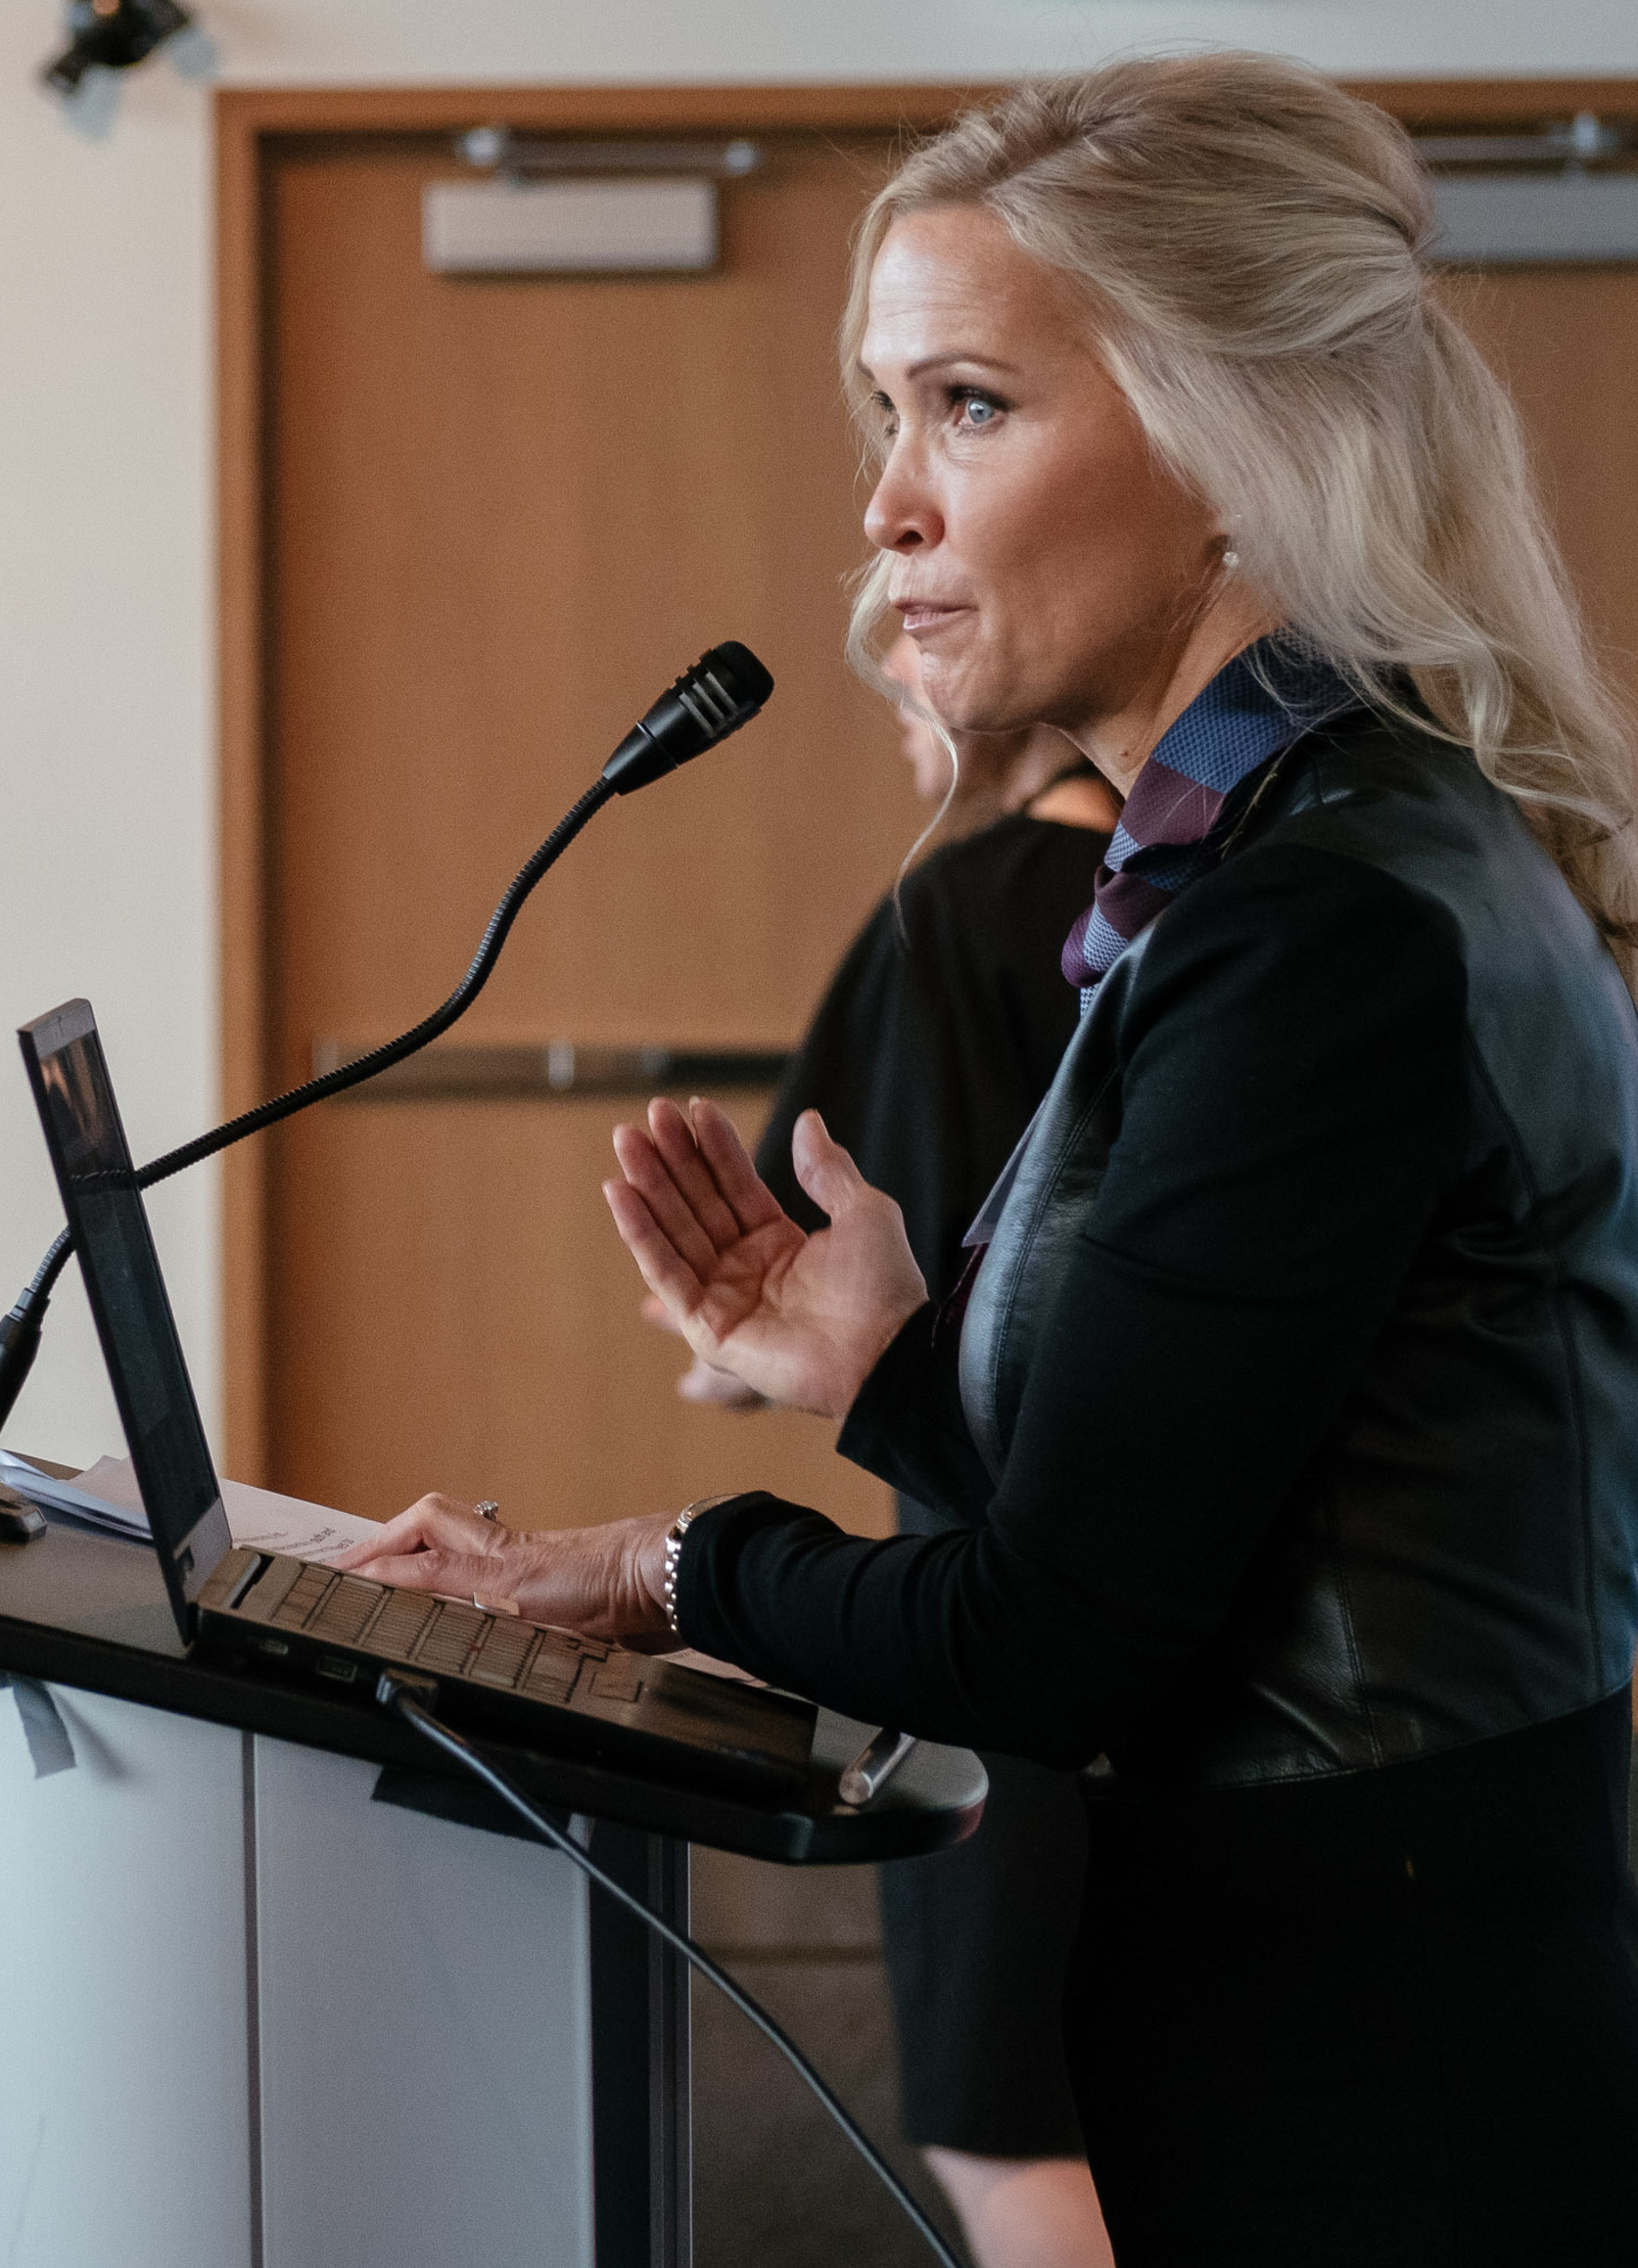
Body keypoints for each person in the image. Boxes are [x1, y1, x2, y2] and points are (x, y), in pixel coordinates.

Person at [341, 54, 1638, 2261]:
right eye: (884, 418)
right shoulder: (1296, 860)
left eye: (966, 405)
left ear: (1226, 449)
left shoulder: (1318, 922)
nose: (888, 503)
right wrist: (896, 1374)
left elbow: (1055, 1638)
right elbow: (1229, 1527)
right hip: (1345, 2067)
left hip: (1409, 2128)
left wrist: (648, 1566)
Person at [669, 639, 1117, 2268]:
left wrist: (735, 1342)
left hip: (995, 1614)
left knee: (1009, 2136)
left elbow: (855, 1307)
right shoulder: (1195, 903)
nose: (902, 742)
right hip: (1181, 1616)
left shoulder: (961, 909)